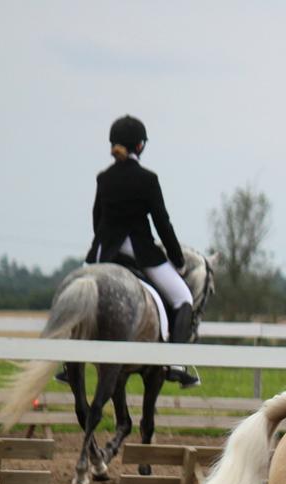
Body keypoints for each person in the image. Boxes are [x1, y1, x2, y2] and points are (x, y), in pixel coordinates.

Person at [64, 115, 199, 387]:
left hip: (104, 253)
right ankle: (174, 363)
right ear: (140, 146)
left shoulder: (104, 178)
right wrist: (177, 258)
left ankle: (68, 363)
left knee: (75, 297)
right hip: (140, 252)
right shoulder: (148, 179)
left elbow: (96, 220)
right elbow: (162, 223)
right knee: (183, 298)